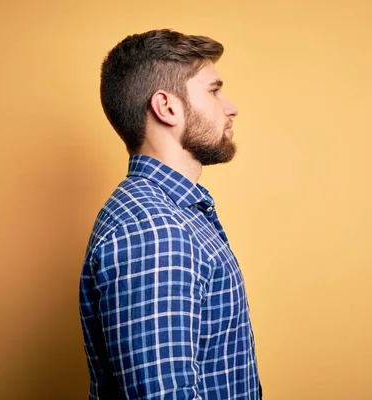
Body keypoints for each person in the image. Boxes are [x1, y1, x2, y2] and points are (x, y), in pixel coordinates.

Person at [79, 29, 262, 399]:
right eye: (213, 91)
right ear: (167, 107)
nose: (230, 106)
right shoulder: (155, 230)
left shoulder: (175, 214)